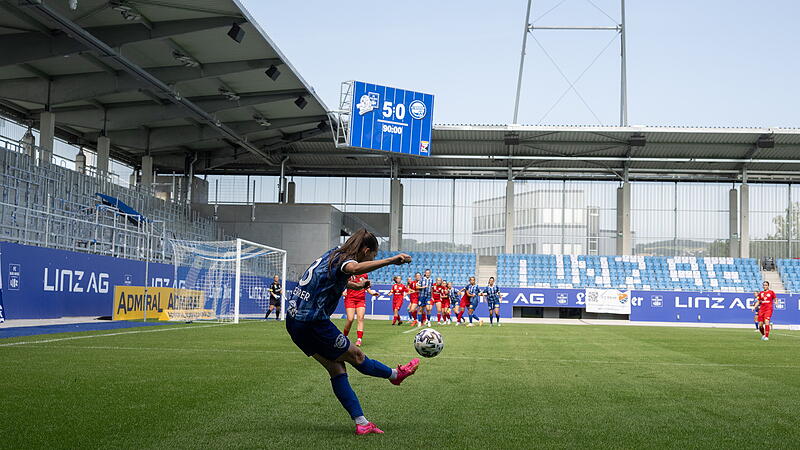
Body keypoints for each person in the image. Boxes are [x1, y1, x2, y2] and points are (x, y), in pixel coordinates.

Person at [286, 229, 420, 435]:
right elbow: (354, 267)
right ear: (366, 250)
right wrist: (392, 260)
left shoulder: (333, 253)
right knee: (357, 356)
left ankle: (362, 422)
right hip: (312, 323)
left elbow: (332, 278)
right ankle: (395, 375)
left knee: (337, 368)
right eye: (373, 255)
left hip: (295, 321)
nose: (373, 258)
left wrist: (355, 286)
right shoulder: (346, 259)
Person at [342, 272, 380, 347]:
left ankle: (359, 339)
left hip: (361, 299)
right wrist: (343, 291)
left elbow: (367, 287)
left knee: (360, 318)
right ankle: (344, 336)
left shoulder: (364, 275)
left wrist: (372, 293)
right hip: (350, 299)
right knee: (350, 319)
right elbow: (343, 284)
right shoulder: (349, 274)